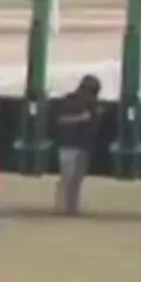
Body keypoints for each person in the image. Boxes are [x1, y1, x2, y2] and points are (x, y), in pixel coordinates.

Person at [55, 74, 100, 216]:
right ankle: (62, 206)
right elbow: (60, 120)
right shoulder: (69, 101)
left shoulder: (92, 105)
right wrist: (81, 118)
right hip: (68, 145)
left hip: (84, 146)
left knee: (76, 179)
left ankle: (72, 207)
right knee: (67, 178)